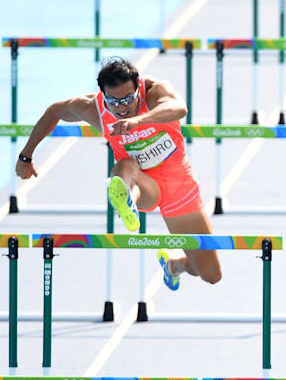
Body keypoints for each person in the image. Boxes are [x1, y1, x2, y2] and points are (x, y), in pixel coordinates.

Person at [15, 57, 220, 289]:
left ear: (138, 87)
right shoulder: (93, 109)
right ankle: (127, 202)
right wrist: (26, 155)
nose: (122, 107)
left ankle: (175, 265)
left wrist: (139, 120)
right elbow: (54, 111)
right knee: (125, 165)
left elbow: (178, 108)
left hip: (178, 185)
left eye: (128, 99)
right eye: (113, 101)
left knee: (211, 273)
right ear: (102, 95)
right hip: (143, 184)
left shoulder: (153, 92)